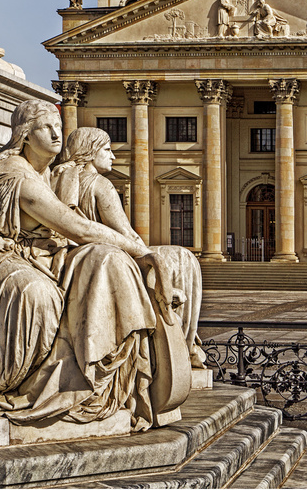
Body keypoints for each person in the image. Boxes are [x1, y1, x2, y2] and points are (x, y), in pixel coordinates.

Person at [0, 100, 175, 437]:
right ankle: (18, 386)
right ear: (25, 135)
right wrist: (144, 251)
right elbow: (78, 228)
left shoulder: (53, 174)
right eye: (47, 127)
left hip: (46, 255)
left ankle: (102, 381)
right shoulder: (12, 172)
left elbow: (80, 231)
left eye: (59, 126)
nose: (58, 134)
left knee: (109, 261)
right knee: (39, 294)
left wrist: (133, 255)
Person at [51, 126, 206, 369]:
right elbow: (127, 234)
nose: (113, 156)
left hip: (74, 256)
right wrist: (149, 257)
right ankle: (183, 348)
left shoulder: (58, 179)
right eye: (107, 149)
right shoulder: (99, 184)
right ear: (90, 152)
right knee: (183, 257)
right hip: (109, 256)